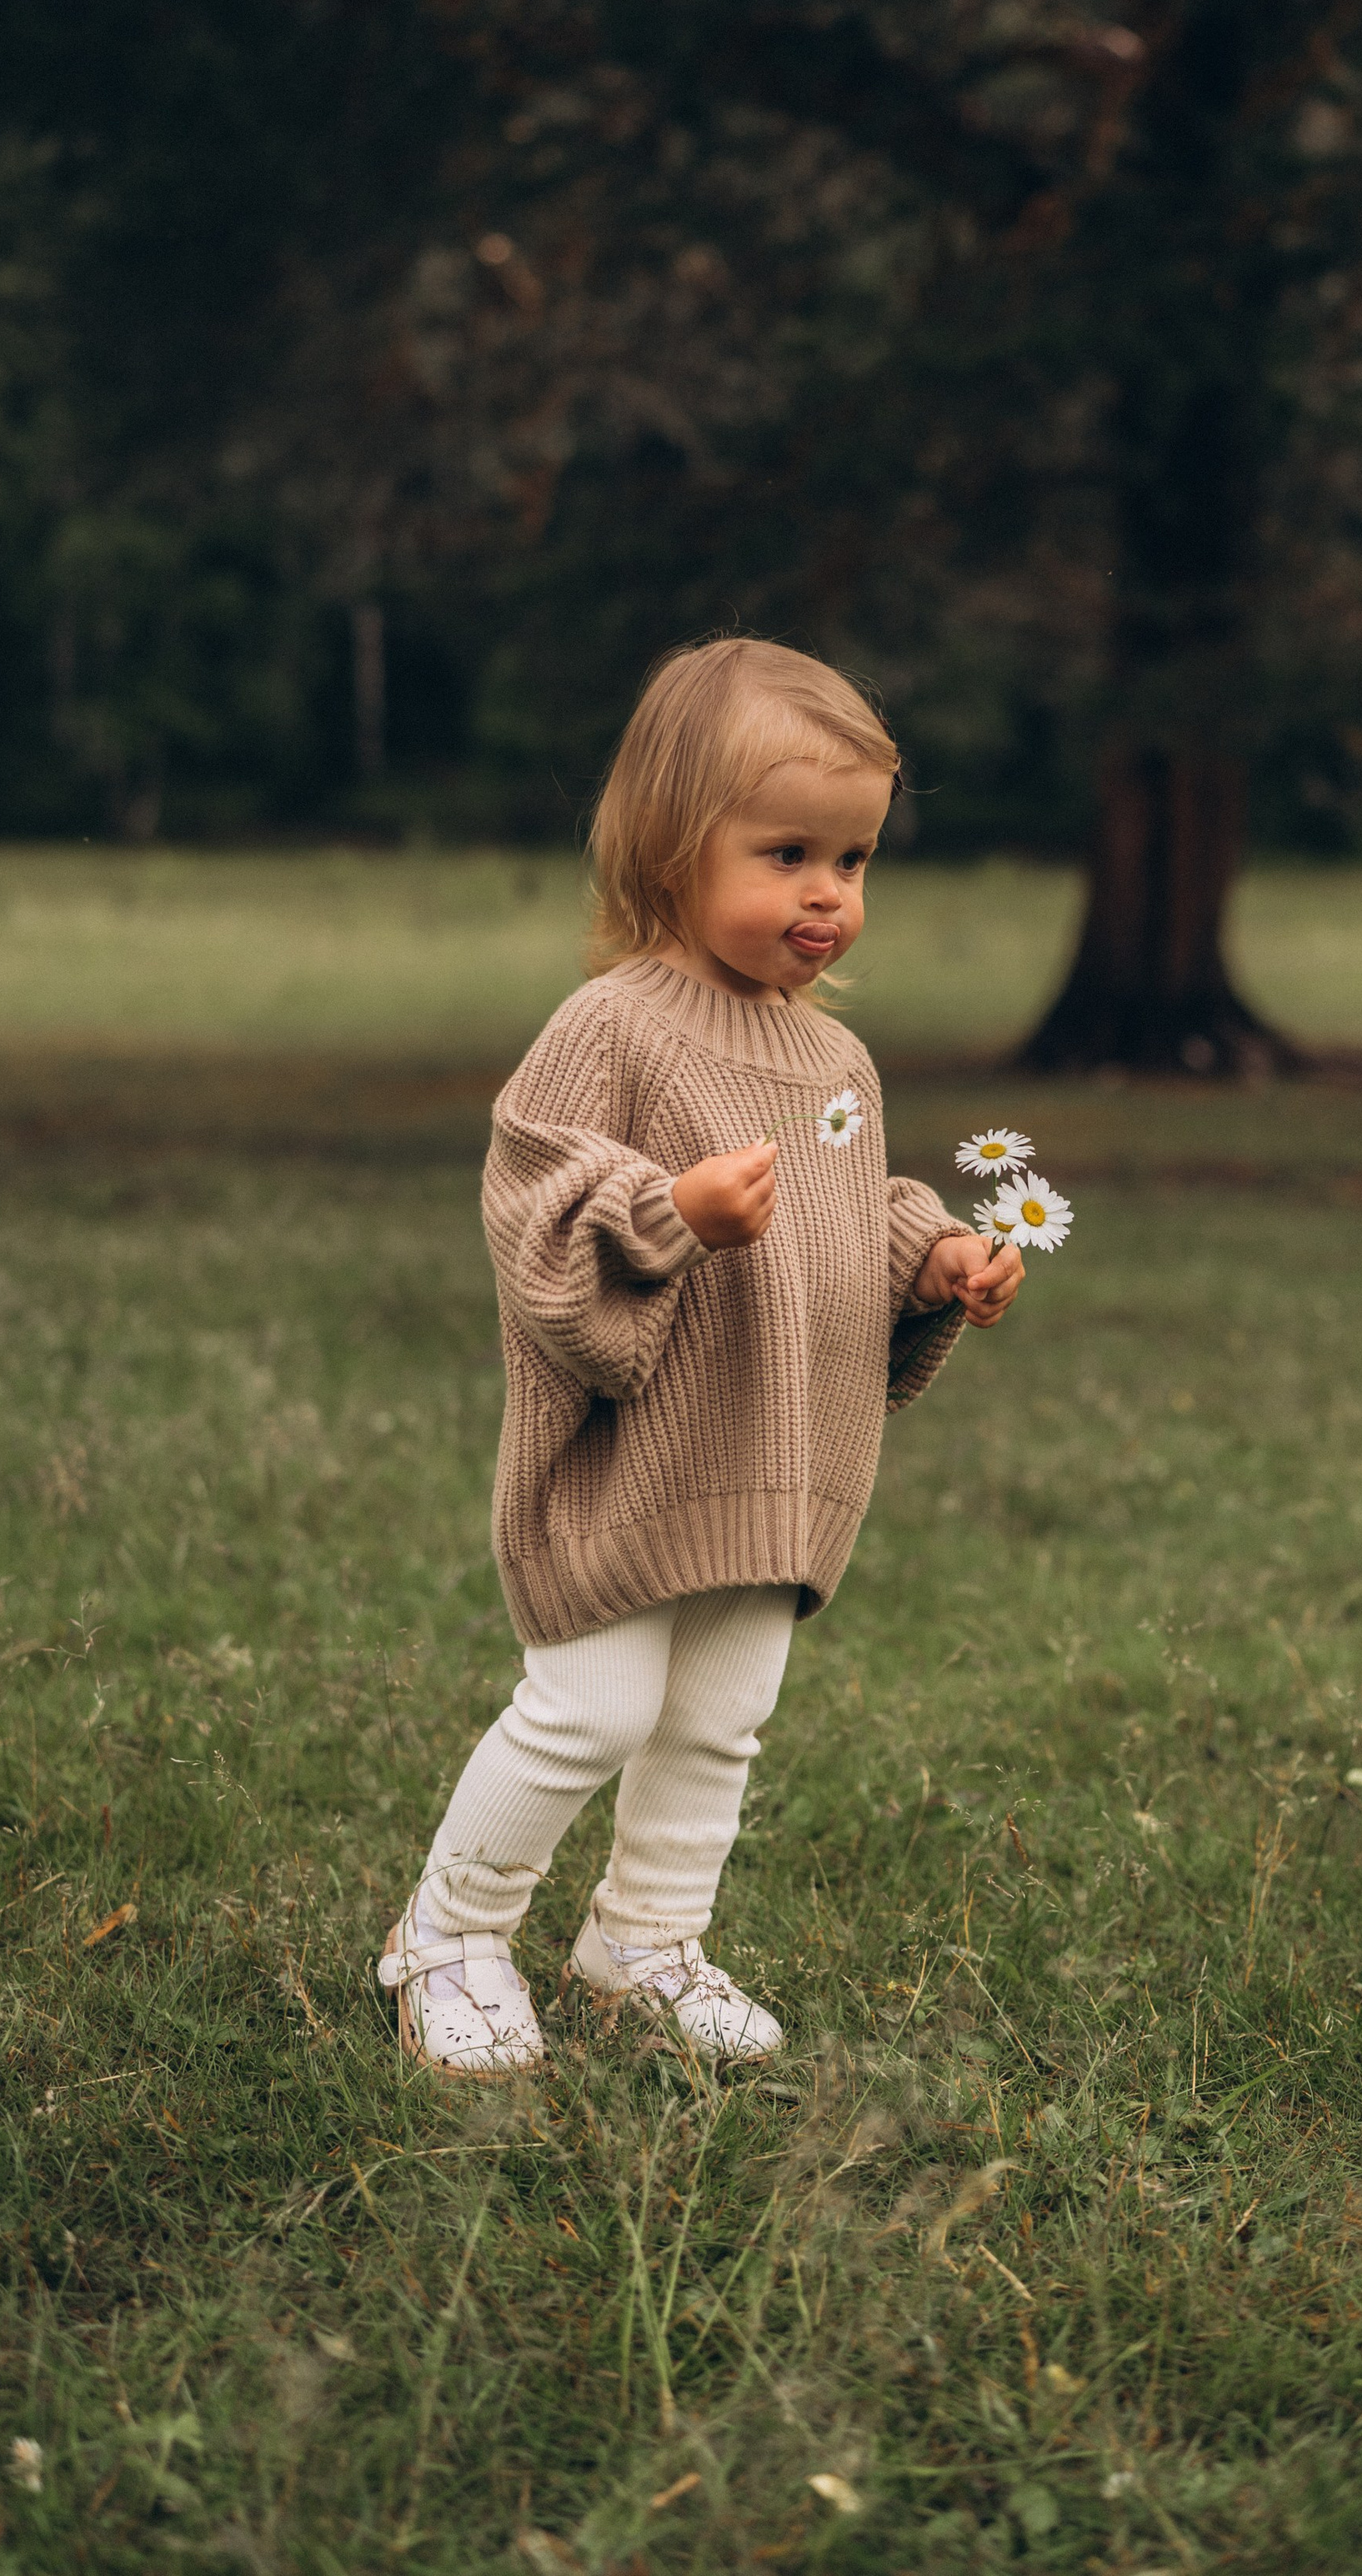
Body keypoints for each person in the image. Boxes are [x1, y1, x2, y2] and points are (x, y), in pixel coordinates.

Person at [378, 639, 1024, 2072]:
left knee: (723, 1713)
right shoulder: (608, 1028)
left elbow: (847, 1215)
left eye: (854, 858)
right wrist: (666, 1209)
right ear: (673, 848)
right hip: (638, 1458)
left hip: (769, 1450)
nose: (828, 894)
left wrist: (931, 1256)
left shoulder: (834, 1064)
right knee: (592, 1704)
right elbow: (536, 1193)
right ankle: (450, 1936)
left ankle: (645, 1938)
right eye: (787, 849)